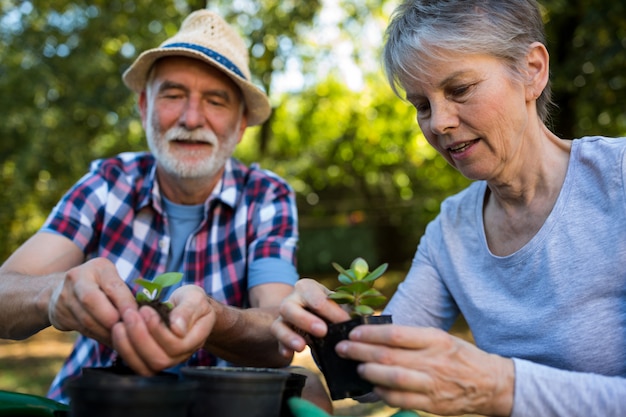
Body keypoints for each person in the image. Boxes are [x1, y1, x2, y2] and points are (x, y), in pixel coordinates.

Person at [271, 0, 626, 416]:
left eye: (460, 90)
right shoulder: (451, 230)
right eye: (421, 105)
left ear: (532, 70)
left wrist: (501, 387)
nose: (438, 123)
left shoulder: (616, 180)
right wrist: (327, 326)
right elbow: (377, 377)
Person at [0, 9, 333, 409]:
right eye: (173, 95)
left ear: (241, 124)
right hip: (104, 393)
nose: (192, 119)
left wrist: (214, 318)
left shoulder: (266, 195)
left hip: (221, 399)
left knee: (310, 391)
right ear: (144, 106)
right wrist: (52, 293)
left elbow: (276, 326)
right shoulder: (108, 181)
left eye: (216, 101)